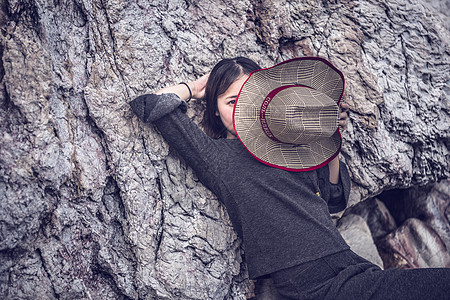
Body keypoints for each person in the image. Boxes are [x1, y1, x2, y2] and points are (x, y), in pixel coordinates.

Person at [129, 57, 450, 299]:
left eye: (250, 98)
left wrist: (330, 143)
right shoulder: (216, 156)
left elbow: (335, 200)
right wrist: (198, 88)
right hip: (307, 277)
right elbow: (152, 104)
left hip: (345, 261)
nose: (243, 109)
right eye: (231, 101)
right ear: (214, 110)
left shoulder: (290, 145)